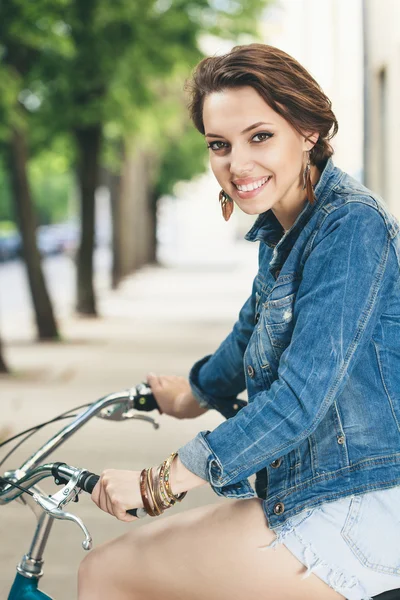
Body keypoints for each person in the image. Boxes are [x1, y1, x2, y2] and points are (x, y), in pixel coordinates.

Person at [78, 44, 400, 600]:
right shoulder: (284, 227)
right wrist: (195, 392)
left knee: (106, 573)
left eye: (259, 136)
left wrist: (163, 481)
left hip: (358, 506)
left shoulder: (350, 228)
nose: (237, 165)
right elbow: (251, 327)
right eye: (219, 145)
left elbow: (300, 398)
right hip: (315, 490)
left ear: (307, 130)